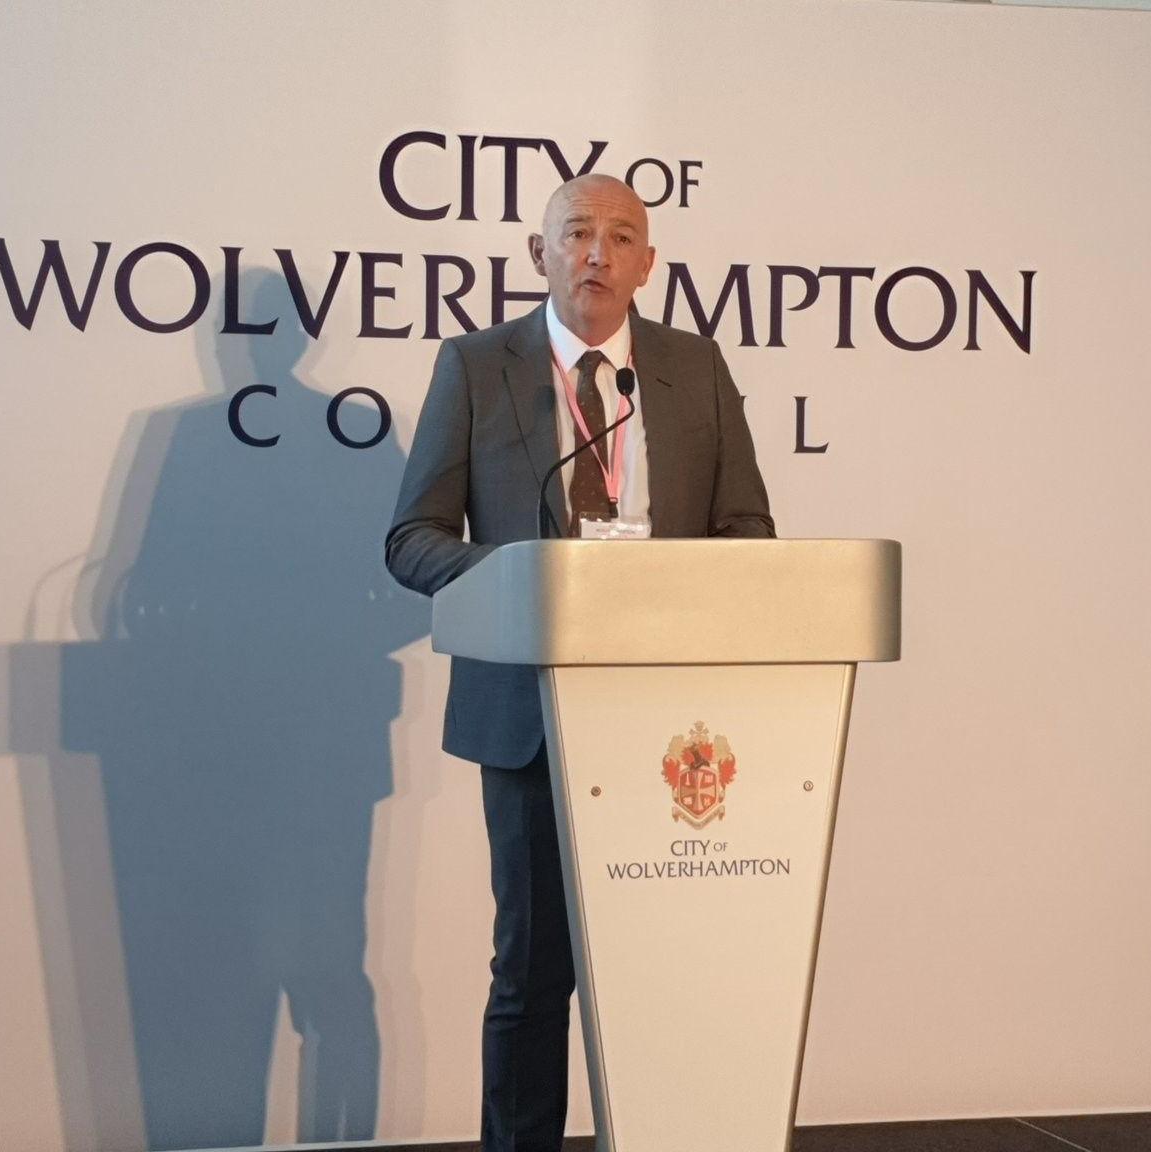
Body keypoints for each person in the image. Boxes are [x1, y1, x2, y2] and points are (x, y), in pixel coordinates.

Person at [384, 174, 773, 1152]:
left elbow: (747, 532)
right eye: (577, 235)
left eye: (620, 237)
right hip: (528, 718)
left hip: (667, 723)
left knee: (663, 969)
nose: (597, 253)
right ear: (539, 253)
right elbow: (413, 538)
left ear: (646, 263)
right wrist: (522, 582)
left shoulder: (691, 368)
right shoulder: (477, 366)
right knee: (532, 968)